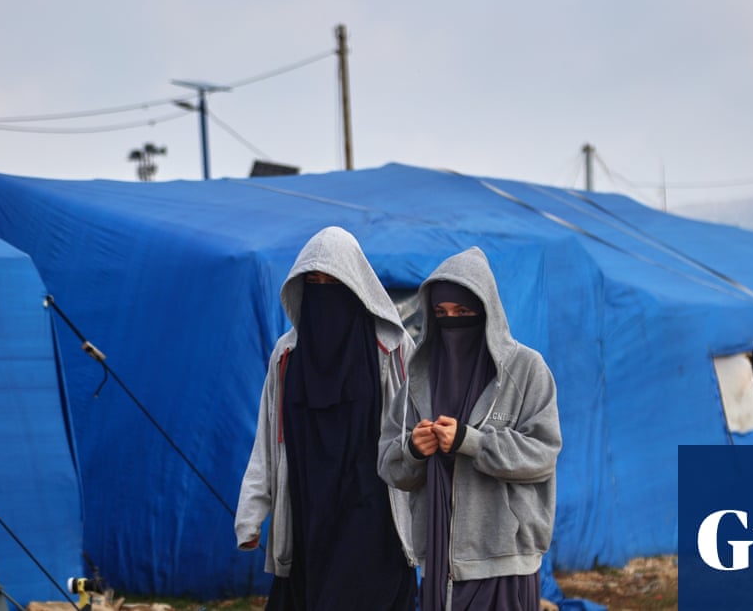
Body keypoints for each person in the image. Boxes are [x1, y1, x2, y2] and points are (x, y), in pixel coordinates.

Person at [236, 226, 417, 610]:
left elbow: (414, 431)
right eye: (313, 281)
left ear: (355, 283)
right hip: (308, 511)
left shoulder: (392, 349)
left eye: (333, 280)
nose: (323, 290)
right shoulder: (287, 356)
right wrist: (251, 514)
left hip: (372, 511)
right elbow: (269, 439)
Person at [378, 246, 562, 611]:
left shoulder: (525, 369)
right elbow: (388, 464)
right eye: (442, 313)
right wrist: (414, 450)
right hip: (439, 560)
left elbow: (542, 453)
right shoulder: (420, 377)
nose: (453, 322)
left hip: (505, 559)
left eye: (463, 312)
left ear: (486, 311)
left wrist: (470, 441)